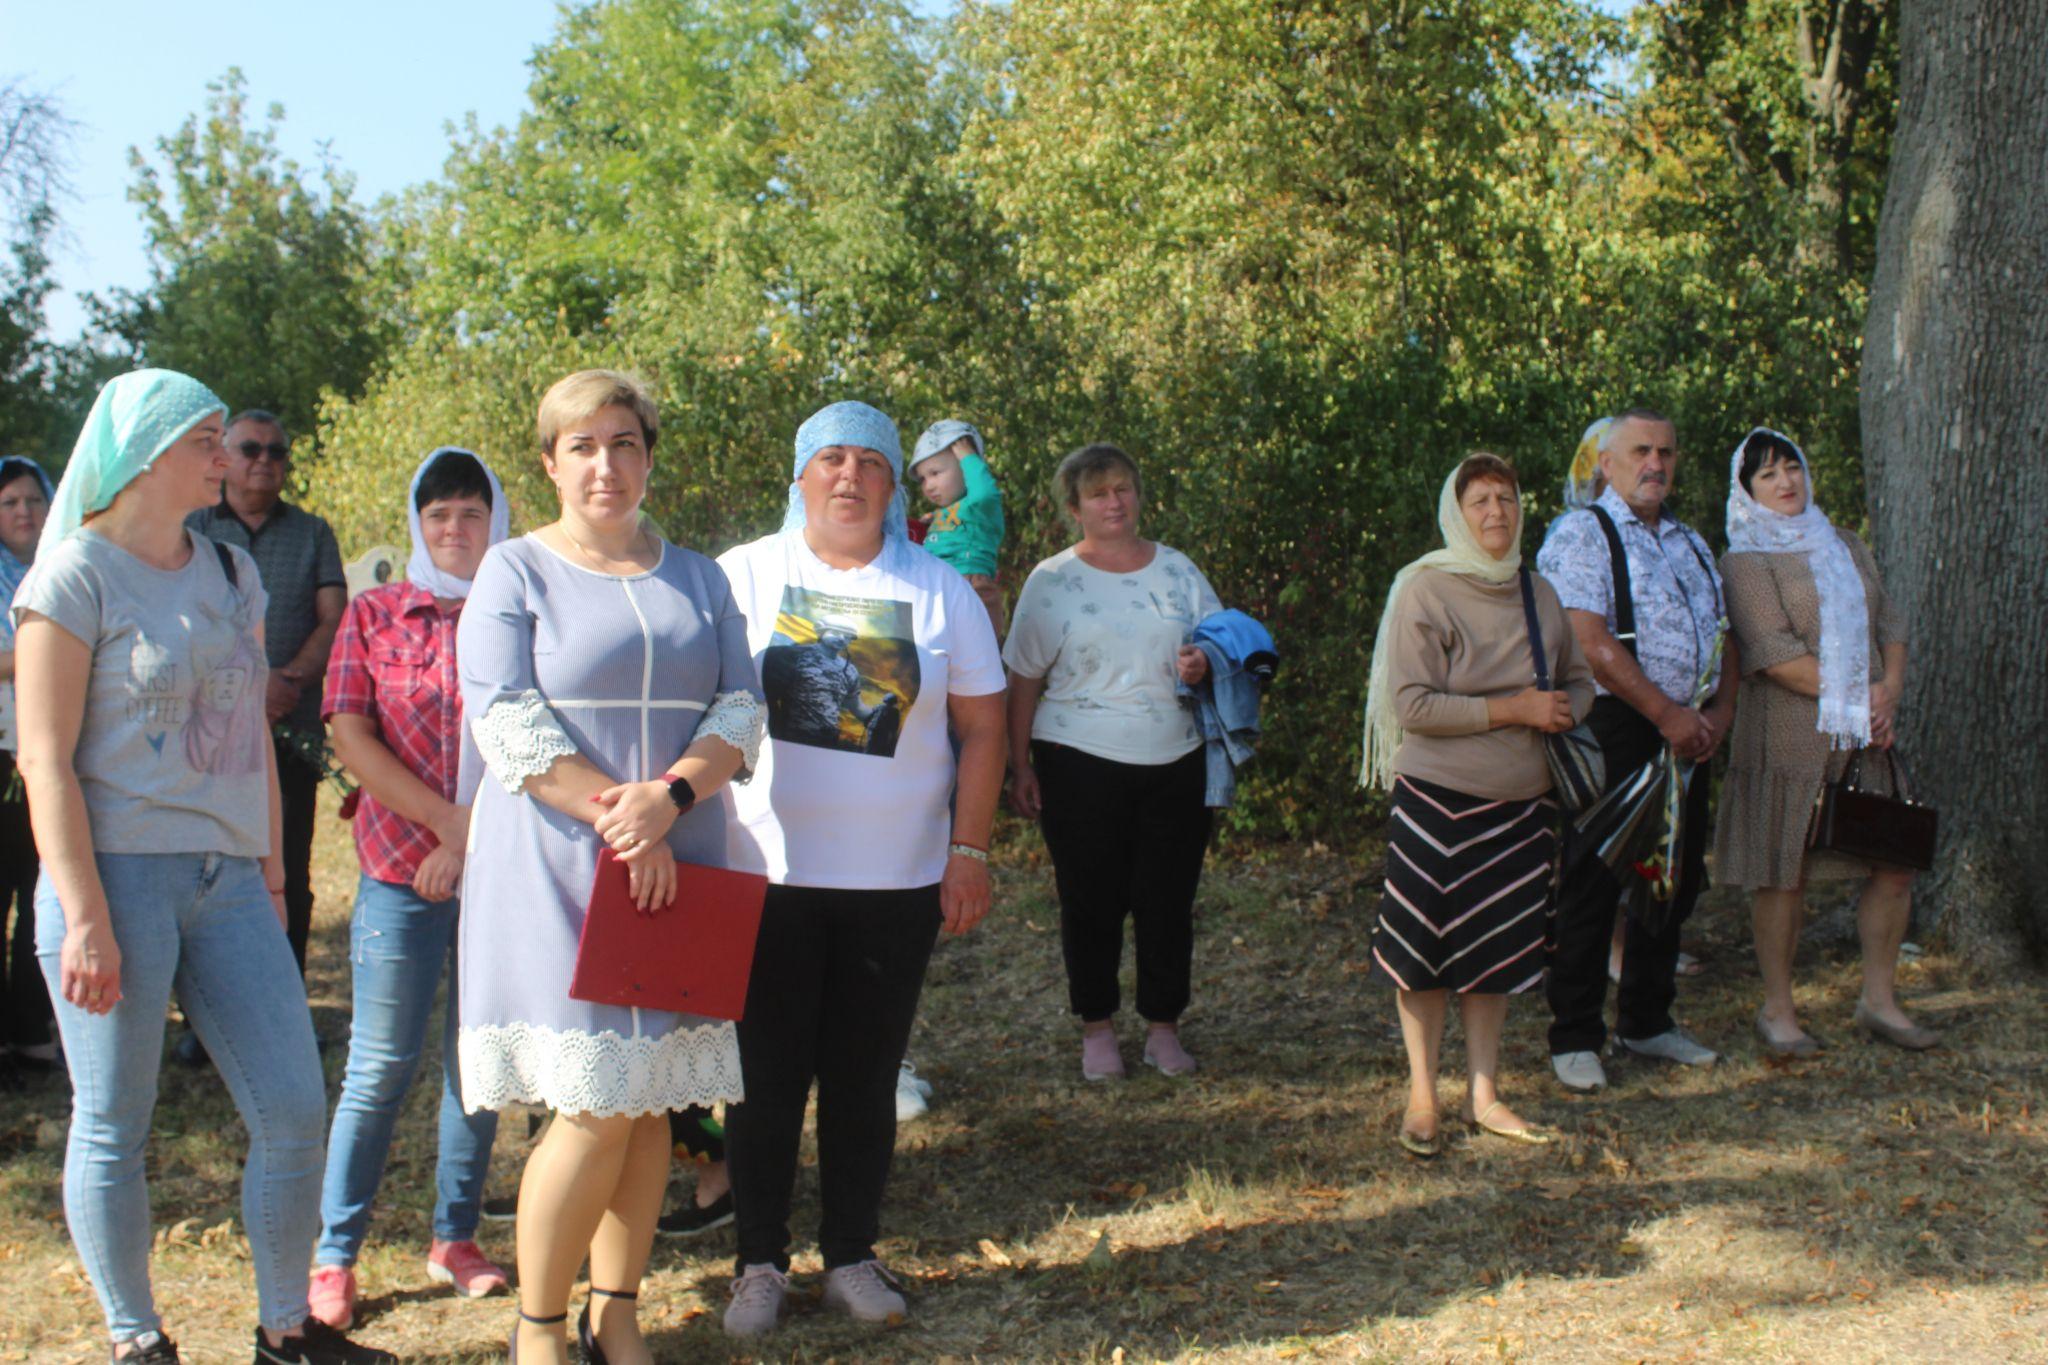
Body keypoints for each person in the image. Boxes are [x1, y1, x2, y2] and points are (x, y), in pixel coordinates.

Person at [14, 370, 390, 1365]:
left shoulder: (230, 571)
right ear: (147, 452)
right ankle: (138, 1342)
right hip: (115, 881)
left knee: (294, 1107)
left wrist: (270, 874)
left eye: (227, 439)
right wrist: (85, 914)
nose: (228, 458)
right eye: (208, 439)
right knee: (114, 1124)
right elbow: (43, 758)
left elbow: (249, 738)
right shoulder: (71, 578)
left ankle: (285, 1331)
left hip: (227, 881)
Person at [455, 370, 762, 1365]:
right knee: (590, 1110)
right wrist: (623, 821)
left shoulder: (700, 577)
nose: (605, 464)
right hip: (557, 865)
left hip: (682, 855)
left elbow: (739, 709)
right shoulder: (512, 573)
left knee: (649, 1110)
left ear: (647, 457)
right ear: (548, 463)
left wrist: (667, 802)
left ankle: (614, 1315)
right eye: (582, 445)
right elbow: (505, 715)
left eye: (623, 443)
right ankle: (536, 1329)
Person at [716, 400, 1004, 1337]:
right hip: (762, 876)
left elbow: (985, 724)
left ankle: (851, 1256)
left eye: (871, 463)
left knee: (862, 1074)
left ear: (892, 484)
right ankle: (757, 1262)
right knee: (761, 1080)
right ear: (800, 476)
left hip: (897, 881)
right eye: (830, 460)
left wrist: (968, 851)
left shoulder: (939, 588)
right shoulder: (744, 576)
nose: (850, 477)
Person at [306, 449, 513, 1331]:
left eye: (471, 512)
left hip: (502, 873)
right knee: (380, 1066)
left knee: (478, 1063)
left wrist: (473, 841)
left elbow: (543, 730)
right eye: (439, 515)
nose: (455, 530)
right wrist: (444, 824)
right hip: (400, 867)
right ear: (417, 522)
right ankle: (334, 1253)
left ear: (495, 518)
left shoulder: (520, 604)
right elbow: (350, 734)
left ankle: (455, 1237)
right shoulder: (374, 613)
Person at [1359, 454, 1593, 1155]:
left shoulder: (1539, 593)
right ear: (1455, 513)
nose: (1497, 512)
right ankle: (1423, 1094)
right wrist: (1512, 708)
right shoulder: (1426, 589)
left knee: (1497, 951)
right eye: (1481, 500)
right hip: (1437, 802)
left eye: (1508, 497)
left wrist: (1559, 710)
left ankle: (1485, 1093)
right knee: (1423, 951)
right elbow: (1413, 704)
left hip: (1521, 807)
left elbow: (1580, 682)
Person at [1712, 429, 1935, 1053]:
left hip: (1867, 738)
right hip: (1788, 740)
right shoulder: (1745, 559)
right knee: (1784, 876)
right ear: (1746, 491)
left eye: (1791, 468)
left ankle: (1879, 1002)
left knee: (1895, 867)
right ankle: (1778, 1013)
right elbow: (1773, 652)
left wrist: (1887, 689)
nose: (1785, 482)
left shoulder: (1845, 543)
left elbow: (1889, 621)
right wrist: (1859, 700)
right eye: (1767, 476)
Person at [1005, 442, 1223, 1081]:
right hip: (1079, 760)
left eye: (1123, 488)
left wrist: (1204, 661)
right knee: (1090, 900)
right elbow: (1022, 679)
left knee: (1168, 899)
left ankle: (1163, 1027)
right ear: (1074, 508)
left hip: (1177, 757)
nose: (1114, 502)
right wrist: (1020, 768)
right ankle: (1097, 1028)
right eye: (1098, 493)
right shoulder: (1051, 581)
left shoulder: (1179, 570)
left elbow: (1221, 643)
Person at [1536, 408, 1738, 1092]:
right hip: (1617, 722)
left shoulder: (1689, 540)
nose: (1656, 463)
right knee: (1594, 877)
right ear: (1606, 463)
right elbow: (1589, 638)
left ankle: (1647, 1020)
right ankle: (1574, 1033)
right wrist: (1666, 713)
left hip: (1690, 729)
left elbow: (1724, 632)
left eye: (1667, 452)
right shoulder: (1582, 533)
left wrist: (1719, 713)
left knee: (1669, 874)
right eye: (1641, 451)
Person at [186, 410, 346, 975]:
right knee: (213, 868)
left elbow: (333, 618)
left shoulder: (313, 532)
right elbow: (183, 623)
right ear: (225, 457)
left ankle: (286, 999)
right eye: (251, 449)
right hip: (208, 732)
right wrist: (249, 688)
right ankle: (206, 1022)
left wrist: (286, 682)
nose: (264, 461)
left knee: (290, 868)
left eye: (276, 452)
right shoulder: (192, 530)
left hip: (291, 726)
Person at [0, 455, 56, 1088]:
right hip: (1, 756)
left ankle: (32, 1032)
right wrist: (46, 652)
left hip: (46, 755)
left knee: (40, 897)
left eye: (32, 501)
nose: (23, 513)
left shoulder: (58, 569)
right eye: (11, 502)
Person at [908, 418, 1006, 632]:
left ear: (966, 467)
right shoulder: (945, 512)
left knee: (973, 654)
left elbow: (984, 491)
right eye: (923, 479)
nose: (928, 486)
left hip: (970, 585)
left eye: (935, 473)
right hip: (935, 586)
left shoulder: (979, 505)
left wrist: (968, 456)